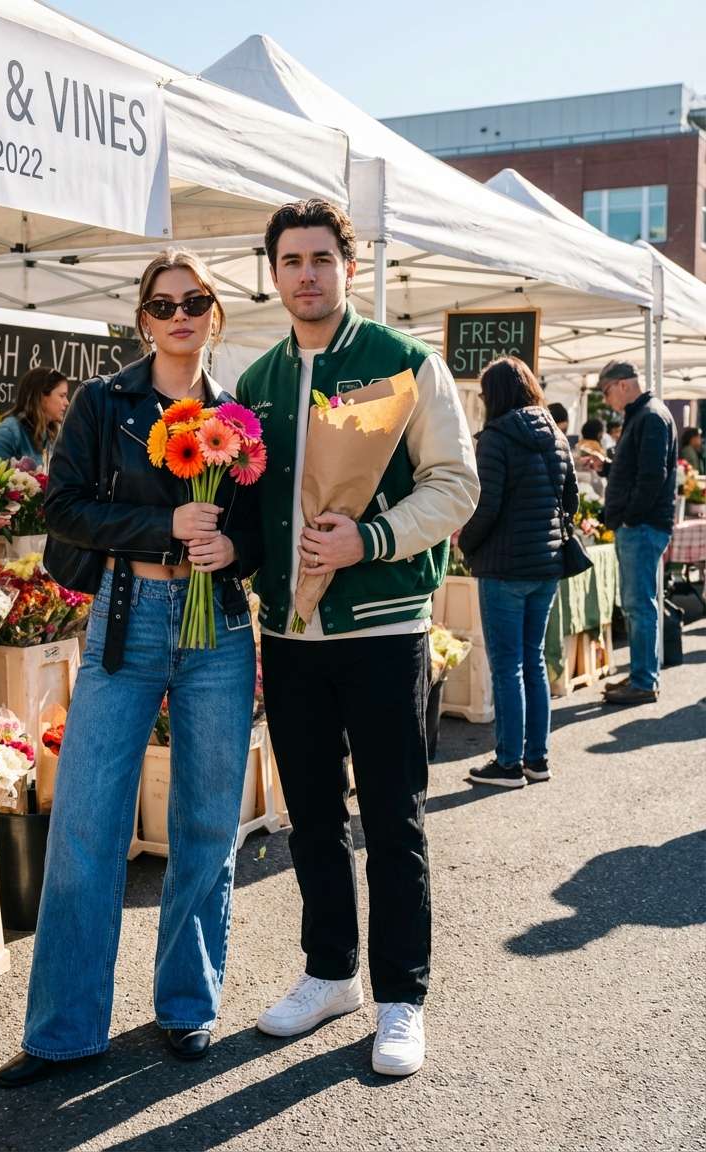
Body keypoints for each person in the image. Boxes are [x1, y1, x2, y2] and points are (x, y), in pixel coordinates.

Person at [0, 250, 260, 1088]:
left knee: (207, 824)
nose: (180, 314)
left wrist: (232, 546)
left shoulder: (242, 418)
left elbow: (263, 525)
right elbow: (62, 504)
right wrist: (163, 526)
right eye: (163, 303)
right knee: (84, 825)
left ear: (214, 314)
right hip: (125, 621)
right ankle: (65, 1030)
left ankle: (188, 1007)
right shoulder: (104, 404)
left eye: (196, 301)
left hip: (216, 624)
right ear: (144, 317)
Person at [236, 199, 478, 1077]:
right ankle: (329, 969)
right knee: (309, 817)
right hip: (290, 632)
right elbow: (251, 505)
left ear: (348, 263)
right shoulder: (255, 381)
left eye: (321, 259)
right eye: (291, 260)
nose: (307, 274)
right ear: (274, 273)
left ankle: (402, 996)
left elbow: (454, 487)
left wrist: (367, 539)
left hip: (383, 628)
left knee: (393, 816)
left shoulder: (406, 364)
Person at [458, 358, 578, 789]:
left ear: (496, 397)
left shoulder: (495, 439)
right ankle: (537, 759)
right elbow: (572, 498)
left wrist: (465, 542)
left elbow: (485, 507)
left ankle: (508, 763)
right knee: (533, 662)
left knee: (507, 665)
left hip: (504, 567)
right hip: (546, 566)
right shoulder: (556, 435)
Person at [585, 361, 677, 705]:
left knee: (639, 605)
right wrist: (607, 467)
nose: (606, 400)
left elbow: (652, 476)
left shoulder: (650, 416)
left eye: (607, 391)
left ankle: (643, 680)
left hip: (641, 526)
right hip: (641, 524)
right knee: (639, 605)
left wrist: (628, 517)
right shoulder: (647, 414)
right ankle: (641, 674)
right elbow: (640, 469)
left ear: (622, 385)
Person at [0, 366, 70, 466]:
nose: (67, 402)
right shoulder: (5, 434)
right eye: (62, 395)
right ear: (41, 396)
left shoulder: (50, 437)